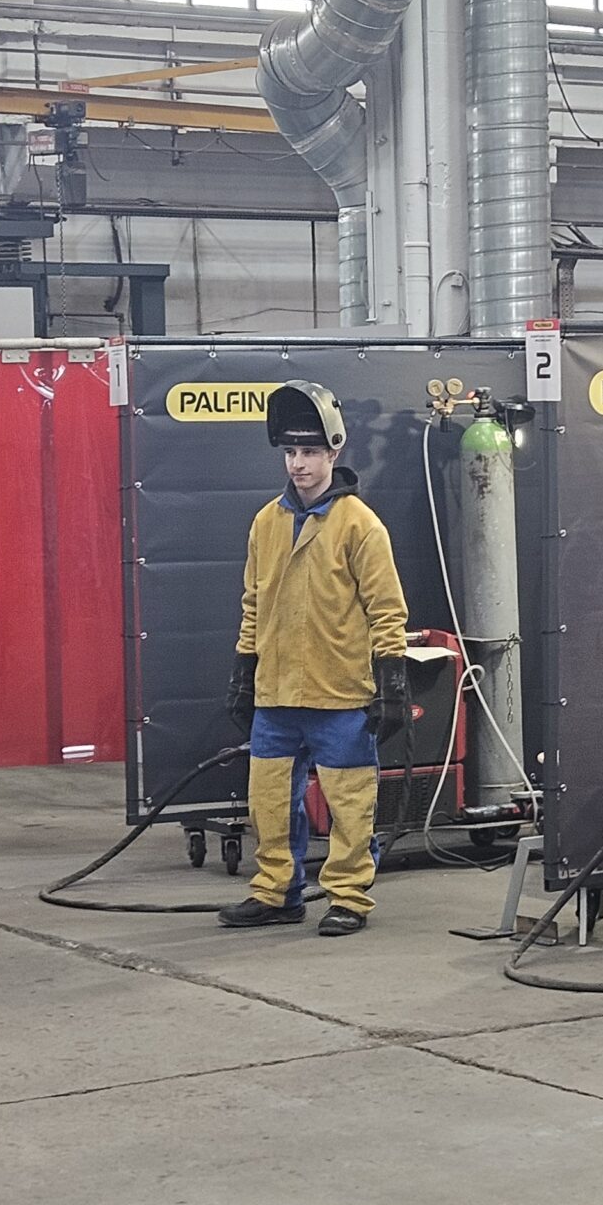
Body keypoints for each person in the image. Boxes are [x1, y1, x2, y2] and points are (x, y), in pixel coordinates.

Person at [219, 381, 411, 938]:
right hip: (276, 692)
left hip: (340, 692)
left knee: (350, 804)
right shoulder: (266, 522)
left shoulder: (359, 525)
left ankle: (348, 897)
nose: (298, 464)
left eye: (309, 452)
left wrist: (391, 684)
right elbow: (253, 603)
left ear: (334, 452)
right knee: (269, 801)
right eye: (290, 452)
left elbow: (386, 610)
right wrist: (244, 672)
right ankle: (276, 893)